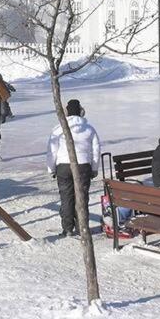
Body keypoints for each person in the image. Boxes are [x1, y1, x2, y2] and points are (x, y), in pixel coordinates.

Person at [46, 99, 101, 238]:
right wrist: (94, 168)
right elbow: (96, 150)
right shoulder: (89, 129)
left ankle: (68, 228)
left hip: (63, 166)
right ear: (81, 112)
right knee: (82, 198)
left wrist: (51, 168)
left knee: (66, 198)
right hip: (83, 166)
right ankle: (82, 227)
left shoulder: (58, 128)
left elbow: (52, 150)